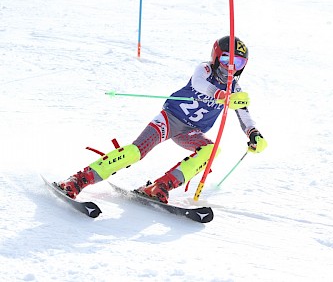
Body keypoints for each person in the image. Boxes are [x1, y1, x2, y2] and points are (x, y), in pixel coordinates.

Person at [58, 36, 267, 203]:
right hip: (169, 119)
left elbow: (245, 114)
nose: (230, 66)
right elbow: (199, 85)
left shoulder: (235, 90)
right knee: (135, 152)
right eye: (225, 59)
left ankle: (160, 186)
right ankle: (79, 179)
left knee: (211, 151)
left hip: (190, 132)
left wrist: (253, 134)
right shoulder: (204, 70)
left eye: (237, 62)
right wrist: (222, 96)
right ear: (215, 57)